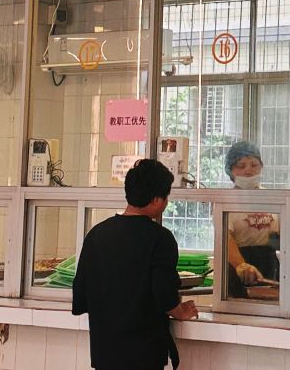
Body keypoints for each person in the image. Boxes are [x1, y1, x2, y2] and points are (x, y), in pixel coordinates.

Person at [72, 158, 198, 370]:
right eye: (166, 197)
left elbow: (81, 297)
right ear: (156, 199)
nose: (166, 203)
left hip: (105, 354)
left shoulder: (96, 235)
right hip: (144, 355)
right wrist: (181, 311)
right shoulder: (160, 239)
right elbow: (164, 295)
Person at [223, 140, 281, 298]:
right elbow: (225, 238)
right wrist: (242, 265)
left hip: (269, 266)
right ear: (230, 170)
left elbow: (282, 234)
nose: (248, 171)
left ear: (261, 167)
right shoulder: (225, 201)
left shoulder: (272, 198)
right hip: (238, 268)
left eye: (254, 165)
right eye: (241, 166)